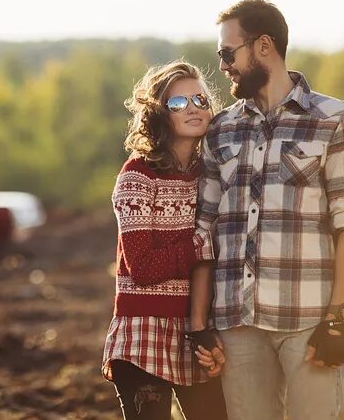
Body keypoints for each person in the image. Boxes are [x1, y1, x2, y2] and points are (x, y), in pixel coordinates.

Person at [191, 0, 344, 420]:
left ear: (263, 46)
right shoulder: (221, 129)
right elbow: (205, 229)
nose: (222, 65)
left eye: (227, 52)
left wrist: (339, 319)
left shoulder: (336, 120)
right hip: (237, 327)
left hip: (308, 322)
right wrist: (200, 324)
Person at [102, 60, 228, 420]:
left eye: (200, 100)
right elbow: (142, 267)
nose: (192, 108)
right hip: (144, 335)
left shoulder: (211, 175)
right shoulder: (137, 176)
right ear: (159, 114)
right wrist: (201, 245)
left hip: (198, 333)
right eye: (178, 103)